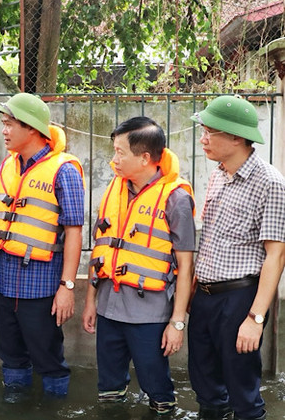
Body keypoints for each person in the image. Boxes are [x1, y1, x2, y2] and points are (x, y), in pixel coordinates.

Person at [0, 92, 84, 402]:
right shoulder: (6, 167)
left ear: (32, 128)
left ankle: (53, 406)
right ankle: (15, 403)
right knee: (9, 352)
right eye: (3, 124)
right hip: (6, 280)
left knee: (47, 355)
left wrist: (67, 286)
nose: (4, 131)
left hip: (43, 283)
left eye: (10, 125)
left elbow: (74, 232)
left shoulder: (65, 170)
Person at [81, 117, 195, 415]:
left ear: (145, 158)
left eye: (120, 152)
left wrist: (177, 323)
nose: (114, 159)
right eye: (114, 151)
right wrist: (91, 302)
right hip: (109, 307)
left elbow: (186, 268)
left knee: (158, 391)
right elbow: (100, 250)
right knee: (108, 390)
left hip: (150, 314)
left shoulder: (176, 199)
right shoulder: (113, 191)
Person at [188, 95, 285, 420]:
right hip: (204, 297)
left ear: (236, 137)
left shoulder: (270, 184)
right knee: (204, 384)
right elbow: (211, 238)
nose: (203, 139)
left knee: (242, 387)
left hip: (240, 299)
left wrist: (255, 319)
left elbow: (276, 255)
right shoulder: (218, 174)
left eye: (210, 132)